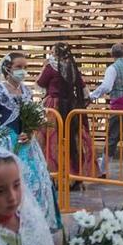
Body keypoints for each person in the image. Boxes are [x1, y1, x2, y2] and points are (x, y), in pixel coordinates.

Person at [0, 52, 61, 230]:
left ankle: (35, 223)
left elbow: (30, 116)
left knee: (37, 180)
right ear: (8, 68)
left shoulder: (27, 91)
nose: (22, 71)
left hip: (26, 143)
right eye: (18, 67)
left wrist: (30, 131)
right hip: (6, 142)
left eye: (25, 68)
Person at [37, 43, 95, 180]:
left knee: (52, 140)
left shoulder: (51, 66)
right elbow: (83, 87)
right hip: (71, 106)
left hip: (54, 105)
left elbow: (40, 83)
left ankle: (54, 172)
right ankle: (73, 172)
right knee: (72, 139)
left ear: (55, 53)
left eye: (52, 51)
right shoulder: (72, 67)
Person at [89, 41, 123, 180]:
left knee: (112, 138)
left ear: (112, 54)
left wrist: (91, 96)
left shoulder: (112, 68)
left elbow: (106, 87)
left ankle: (103, 170)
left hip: (120, 107)